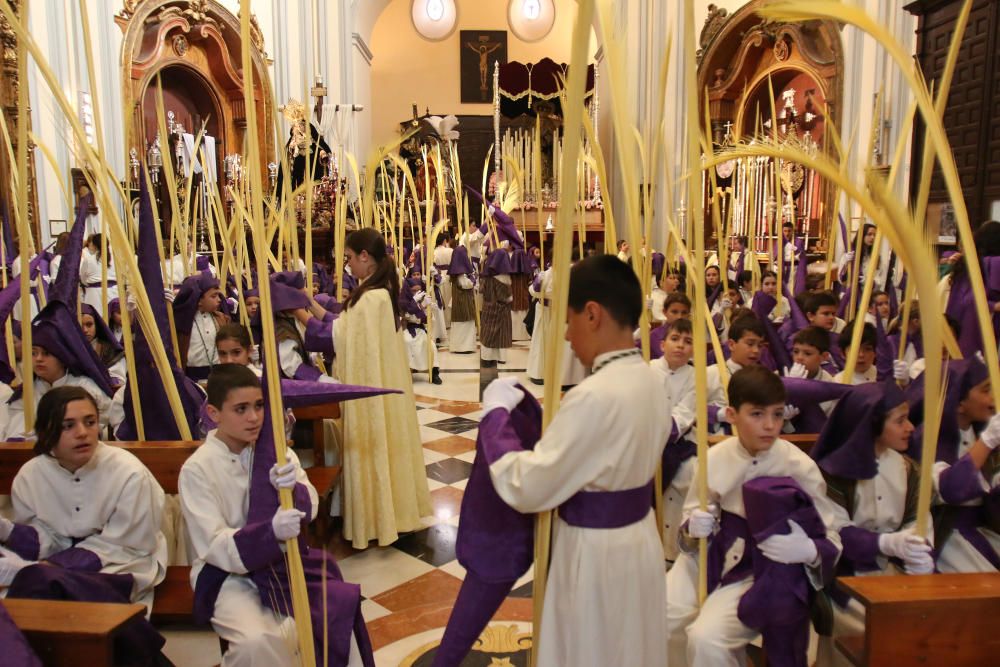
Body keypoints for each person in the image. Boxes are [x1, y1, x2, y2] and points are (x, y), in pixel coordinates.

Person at [480, 254, 669, 665]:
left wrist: (495, 417)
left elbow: (529, 485)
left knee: (591, 649)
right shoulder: (652, 380)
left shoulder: (594, 395)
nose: (565, 335)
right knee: (631, 647)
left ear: (593, 314)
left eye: (568, 320)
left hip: (595, 556)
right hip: (640, 542)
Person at [179, 365, 369, 665]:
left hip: (285, 563)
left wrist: (294, 490)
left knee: (339, 608)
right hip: (229, 575)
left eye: (258, 406)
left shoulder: (277, 451)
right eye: (241, 409)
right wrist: (270, 534)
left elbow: (312, 508)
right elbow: (213, 544)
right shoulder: (198, 469)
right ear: (214, 413)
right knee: (257, 642)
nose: (254, 417)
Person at [666, 366, 842, 667]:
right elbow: (691, 515)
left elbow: (831, 533)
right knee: (660, 615)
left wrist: (811, 550)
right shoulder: (714, 459)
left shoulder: (798, 466)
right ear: (732, 415)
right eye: (757, 414)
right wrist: (692, 528)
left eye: (777, 414)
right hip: (708, 556)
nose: (770, 426)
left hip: (761, 570)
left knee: (706, 639)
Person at [0, 386, 167, 662]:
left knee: (41, 587)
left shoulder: (128, 472)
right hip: (54, 568)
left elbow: (126, 543)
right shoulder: (31, 475)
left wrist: (56, 567)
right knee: (34, 596)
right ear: (45, 431)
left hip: (122, 563)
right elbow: (47, 537)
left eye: (90, 422)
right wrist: (9, 532)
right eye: (68, 425)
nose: (83, 432)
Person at [811, 382, 933, 667]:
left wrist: (918, 549)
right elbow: (833, 529)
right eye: (900, 420)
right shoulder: (832, 472)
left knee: (926, 626)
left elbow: (918, 519)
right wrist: (885, 543)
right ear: (872, 424)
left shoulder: (908, 468)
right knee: (871, 630)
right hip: (844, 576)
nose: (911, 427)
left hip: (894, 570)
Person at [329, 228, 431, 547]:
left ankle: (377, 517)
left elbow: (343, 338)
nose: (347, 266)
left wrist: (306, 315)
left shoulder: (373, 297)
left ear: (364, 257)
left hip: (370, 384)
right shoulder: (375, 291)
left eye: (349, 258)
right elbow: (345, 330)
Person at [927, 357, 1000, 572]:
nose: (993, 398)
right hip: (948, 532)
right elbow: (951, 490)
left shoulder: (978, 430)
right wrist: (987, 441)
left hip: (986, 524)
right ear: (959, 403)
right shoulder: (929, 438)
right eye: (986, 390)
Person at [652, 317, 697, 561]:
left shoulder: (694, 376)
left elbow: (685, 414)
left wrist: (662, 431)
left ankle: (674, 548)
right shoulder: (648, 369)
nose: (680, 345)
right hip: (645, 440)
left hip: (677, 443)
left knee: (692, 475)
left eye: (688, 341)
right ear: (662, 344)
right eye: (675, 339)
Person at [706, 315, 766, 433]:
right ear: (731, 345)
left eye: (760, 345)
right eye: (750, 344)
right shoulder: (712, 373)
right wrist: (718, 413)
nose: (756, 350)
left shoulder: (763, 377)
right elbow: (692, 408)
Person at [479, 249, 513, 365]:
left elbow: (481, 290)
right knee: (500, 335)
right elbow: (505, 296)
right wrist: (510, 298)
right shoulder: (503, 277)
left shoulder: (486, 275)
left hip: (487, 307)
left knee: (488, 334)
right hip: (501, 309)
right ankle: (500, 358)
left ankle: (487, 358)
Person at [80, 304, 126, 387]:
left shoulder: (110, 350)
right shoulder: (66, 349)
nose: (85, 330)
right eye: (80, 325)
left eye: (89, 325)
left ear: (96, 326)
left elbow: (119, 380)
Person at [447, 245, 477, 354]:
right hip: (464, 301)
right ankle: (465, 347)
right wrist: (473, 279)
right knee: (466, 322)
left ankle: (459, 346)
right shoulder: (461, 273)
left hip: (458, 301)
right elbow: (467, 284)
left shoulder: (455, 272)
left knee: (460, 324)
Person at [648, 292, 692, 360]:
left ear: (689, 315)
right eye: (674, 312)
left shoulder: (694, 336)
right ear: (664, 312)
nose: (679, 317)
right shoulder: (654, 335)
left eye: (684, 313)